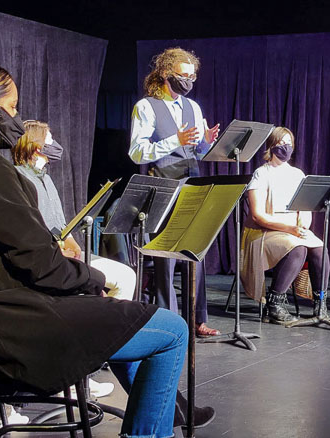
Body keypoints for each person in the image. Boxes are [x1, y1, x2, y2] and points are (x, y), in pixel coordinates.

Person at [0, 55, 186, 438]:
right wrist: (92, 277)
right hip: (15, 330)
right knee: (173, 330)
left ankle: (172, 411)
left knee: (127, 318)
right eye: (12, 107)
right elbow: (42, 265)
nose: (15, 117)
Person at [129, 47, 221, 337]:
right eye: (183, 76)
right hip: (164, 188)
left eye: (192, 76)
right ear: (167, 74)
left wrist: (206, 142)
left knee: (196, 253)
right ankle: (171, 322)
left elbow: (199, 151)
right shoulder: (147, 106)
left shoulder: (193, 107)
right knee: (166, 257)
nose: (189, 81)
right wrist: (173, 140)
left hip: (192, 185)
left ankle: (197, 319)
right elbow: (136, 152)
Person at [13, 120, 136, 301]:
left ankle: (113, 324)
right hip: (49, 259)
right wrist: (58, 251)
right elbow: (28, 230)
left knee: (126, 275)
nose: (55, 145)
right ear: (38, 147)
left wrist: (72, 243)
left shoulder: (46, 179)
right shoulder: (19, 177)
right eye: (50, 140)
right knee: (104, 285)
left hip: (66, 255)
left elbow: (60, 224)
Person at [240, 127, 330, 324]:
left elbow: (305, 210)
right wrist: (289, 229)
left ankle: (320, 303)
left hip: (292, 230)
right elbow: (258, 216)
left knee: (319, 249)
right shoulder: (261, 173)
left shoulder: (298, 174)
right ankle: (274, 304)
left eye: (289, 143)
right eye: (281, 143)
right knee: (297, 249)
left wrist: (302, 225)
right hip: (263, 232)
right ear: (272, 146)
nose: (285, 148)